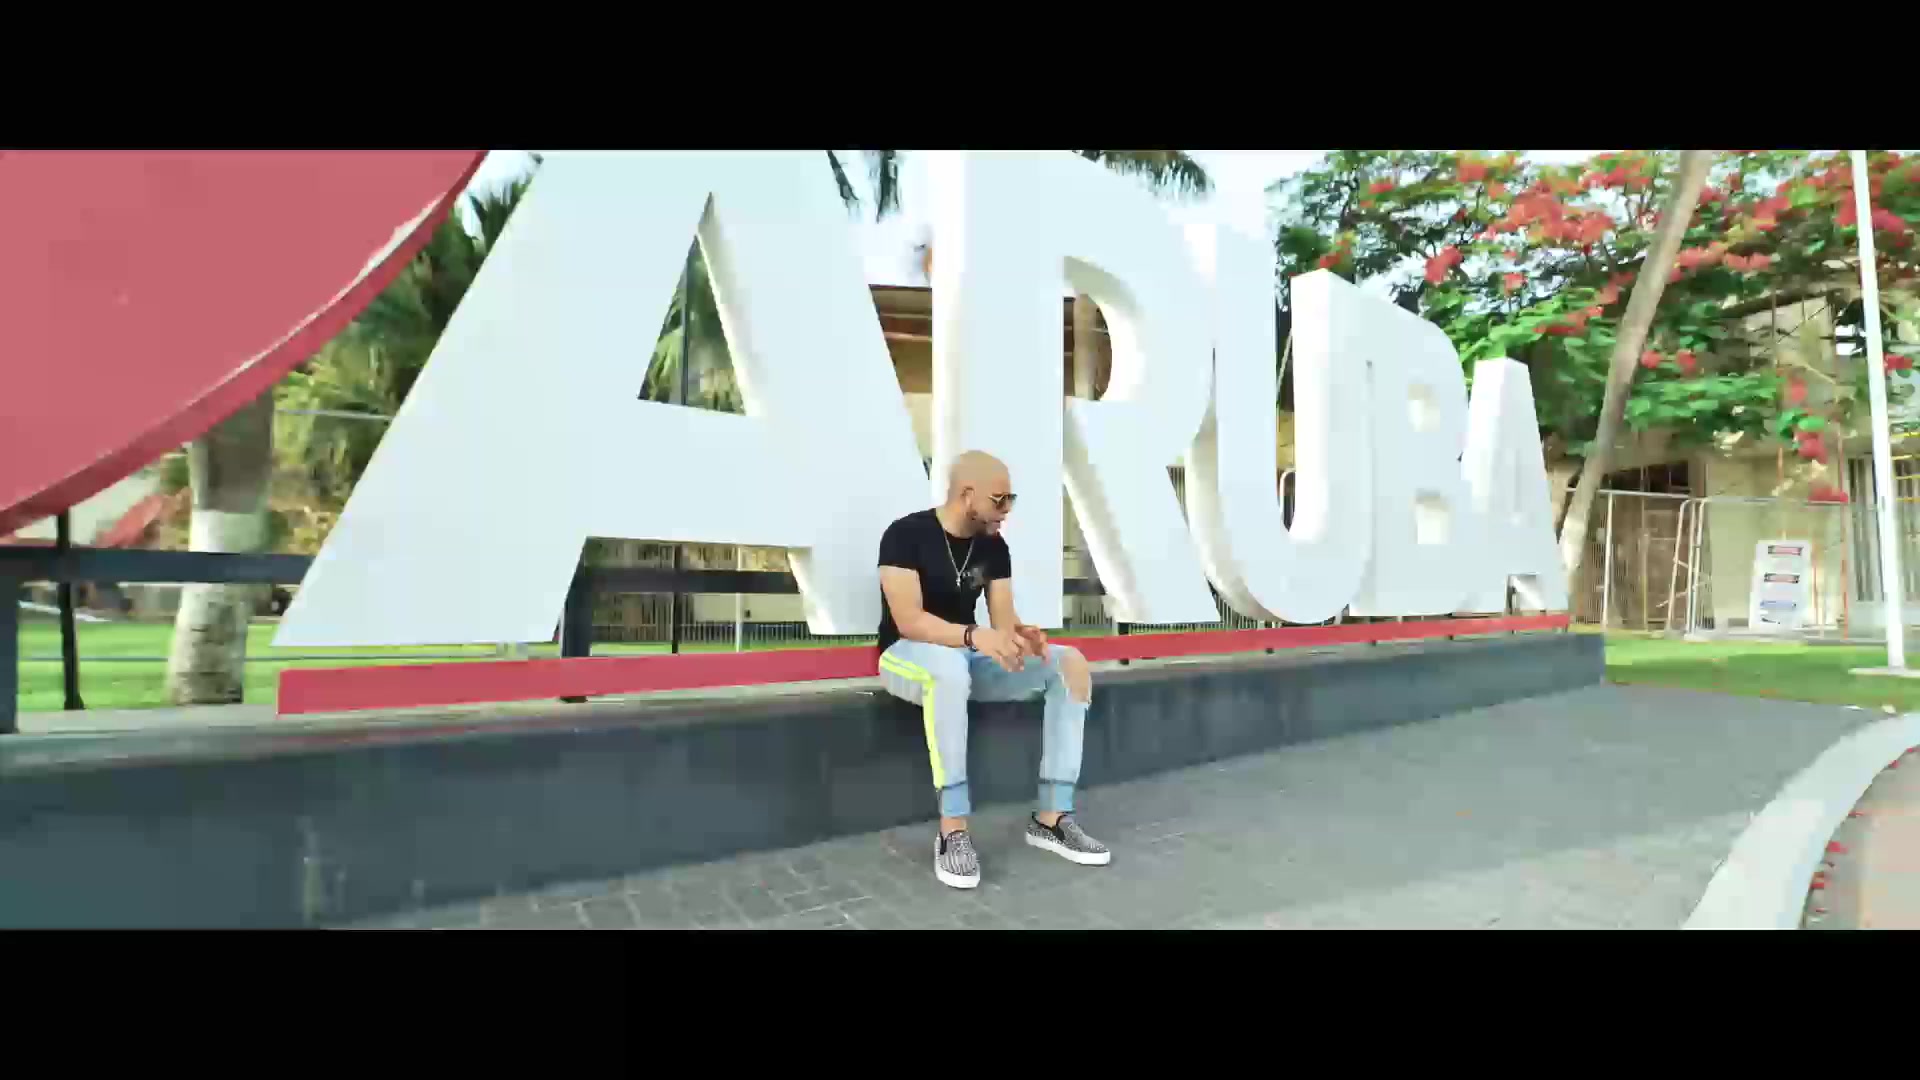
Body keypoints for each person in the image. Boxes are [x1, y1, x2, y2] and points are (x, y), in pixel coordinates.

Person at [875, 449, 1109, 889]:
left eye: (1011, 499)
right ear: (967, 495)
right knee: (947, 669)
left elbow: (1001, 622)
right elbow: (909, 620)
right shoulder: (905, 535)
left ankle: (1052, 817)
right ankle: (953, 830)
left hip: (965, 656)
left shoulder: (993, 547)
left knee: (1069, 664)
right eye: (1000, 500)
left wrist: (1021, 637)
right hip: (906, 655)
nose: (1007, 510)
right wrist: (974, 636)